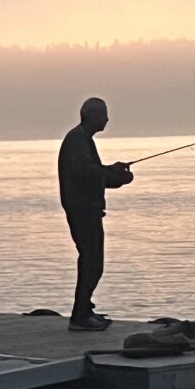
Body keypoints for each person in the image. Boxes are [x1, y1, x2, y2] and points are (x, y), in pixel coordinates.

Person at [58, 97, 133, 330]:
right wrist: (114, 176)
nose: (107, 119)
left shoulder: (81, 139)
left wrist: (113, 172)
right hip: (82, 210)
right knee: (92, 261)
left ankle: (85, 308)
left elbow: (92, 172)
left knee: (93, 261)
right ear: (91, 116)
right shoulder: (78, 140)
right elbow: (87, 174)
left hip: (86, 208)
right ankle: (80, 316)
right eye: (104, 114)